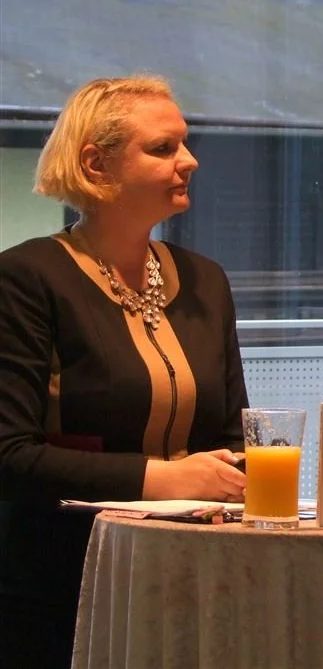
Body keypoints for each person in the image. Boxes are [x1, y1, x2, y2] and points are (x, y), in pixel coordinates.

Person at [0, 76, 249, 668]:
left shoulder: (207, 279)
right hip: (62, 583)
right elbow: (10, 455)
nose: (189, 160)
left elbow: (238, 438)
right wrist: (167, 479)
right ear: (95, 164)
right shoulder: (27, 277)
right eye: (163, 148)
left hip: (196, 575)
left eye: (184, 143)